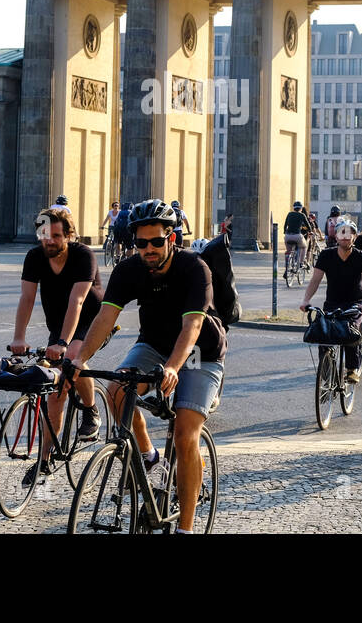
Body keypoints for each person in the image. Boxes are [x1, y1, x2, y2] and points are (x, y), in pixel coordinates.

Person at [69, 199, 225, 534]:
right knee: (116, 394)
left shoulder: (195, 269)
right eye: (141, 243)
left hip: (200, 351)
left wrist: (172, 368)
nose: (149, 249)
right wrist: (80, 359)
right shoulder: (129, 269)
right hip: (153, 344)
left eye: (156, 241)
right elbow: (105, 317)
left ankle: (185, 529)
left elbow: (192, 327)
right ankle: (152, 457)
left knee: (185, 435)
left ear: (171, 238)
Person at [12, 208, 105, 484]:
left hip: (92, 320)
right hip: (60, 322)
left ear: (69, 235)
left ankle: (91, 411)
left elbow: (77, 302)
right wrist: (19, 338)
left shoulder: (83, 256)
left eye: (55, 235)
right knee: (55, 394)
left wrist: (63, 343)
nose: (49, 241)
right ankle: (44, 461)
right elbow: (26, 298)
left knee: (74, 356)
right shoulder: (34, 257)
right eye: (44, 235)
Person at [301, 217, 362, 383]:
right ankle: (326, 373)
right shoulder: (326, 255)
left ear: (354, 237)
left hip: (355, 303)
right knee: (323, 334)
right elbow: (315, 280)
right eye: (342, 232)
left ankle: (352, 368)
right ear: (336, 236)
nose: (346, 237)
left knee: (350, 331)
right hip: (332, 303)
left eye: (350, 233)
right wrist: (306, 300)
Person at [283, 201, 312, 268]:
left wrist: (285, 232)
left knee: (288, 251)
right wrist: (310, 231)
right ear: (301, 208)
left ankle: (287, 266)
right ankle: (301, 263)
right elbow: (308, 225)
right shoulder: (302, 215)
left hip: (287, 236)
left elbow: (285, 224)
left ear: (294, 208)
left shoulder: (289, 214)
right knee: (304, 247)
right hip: (297, 236)